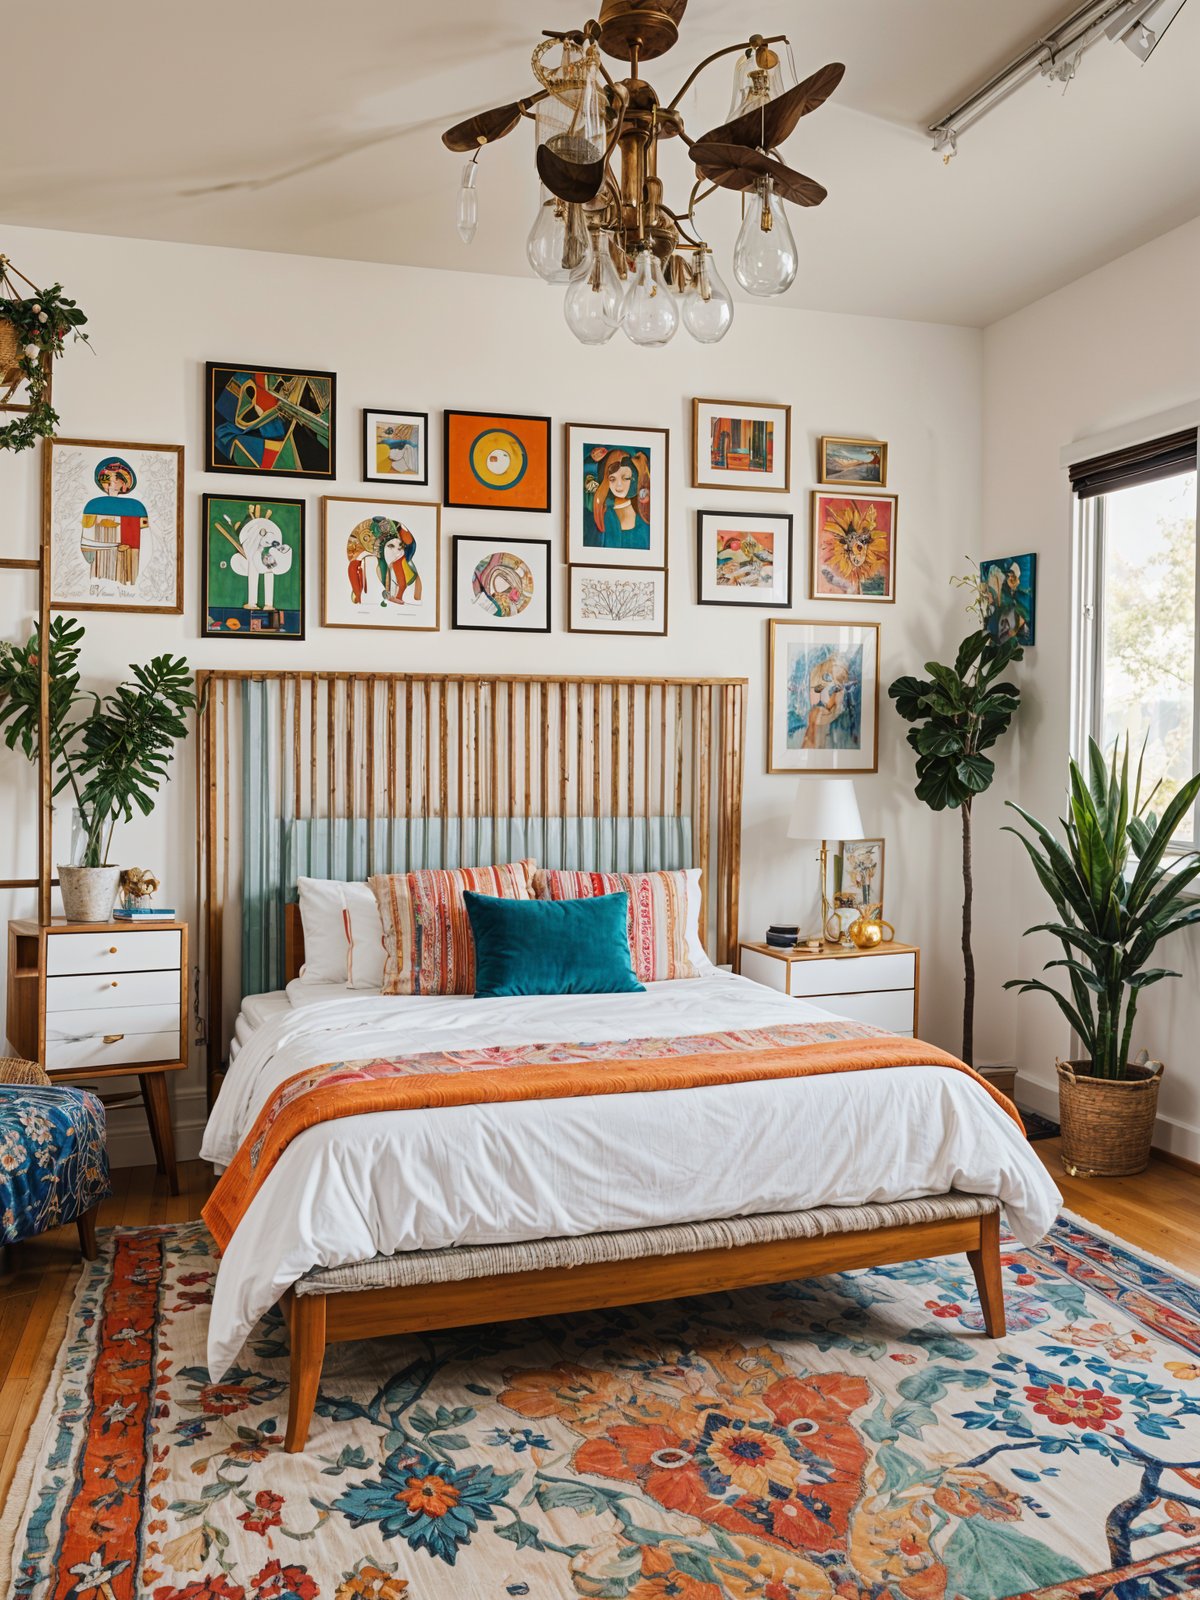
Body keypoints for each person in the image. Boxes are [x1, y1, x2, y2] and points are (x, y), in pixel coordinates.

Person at [80, 456, 148, 589]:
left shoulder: (137, 507)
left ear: (124, 484)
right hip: (101, 563)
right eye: (107, 478)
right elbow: (85, 543)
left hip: (130, 562)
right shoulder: (92, 506)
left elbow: (146, 541)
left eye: (117, 478)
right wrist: (113, 546)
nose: (112, 482)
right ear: (102, 482)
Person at [587, 448, 652, 550]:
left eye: (625, 478)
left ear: (633, 478)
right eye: (612, 479)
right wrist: (591, 458)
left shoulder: (645, 515)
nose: (619, 485)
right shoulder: (602, 514)